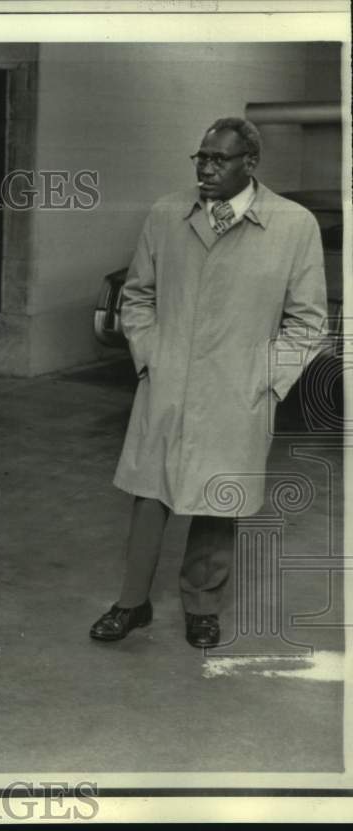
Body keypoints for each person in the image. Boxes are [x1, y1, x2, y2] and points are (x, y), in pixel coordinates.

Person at [89, 117, 327, 648]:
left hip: (237, 389)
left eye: (219, 159)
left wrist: (264, 380)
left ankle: (202, 607)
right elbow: (137, 295)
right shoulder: (167, 213)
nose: (206, 168)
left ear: (251, 163)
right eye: (200, 157)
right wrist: (151, 358)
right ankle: (132, 603)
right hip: (168, 381)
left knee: (218, 502)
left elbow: (308, 321)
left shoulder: (294, 226)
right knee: (149, 496)